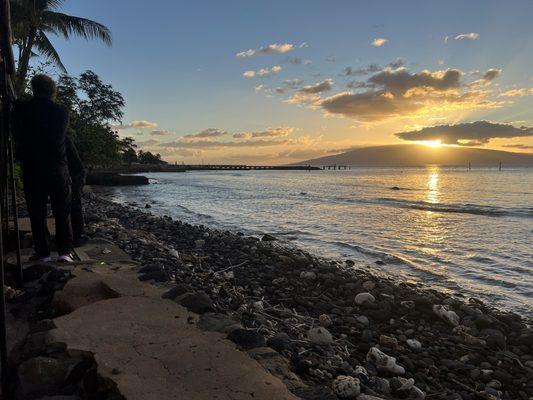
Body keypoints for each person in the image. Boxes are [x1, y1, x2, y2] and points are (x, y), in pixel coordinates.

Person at [14, 75, 75, 262]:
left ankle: (43, 252)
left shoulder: (21, 109)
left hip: (32, 168)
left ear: (34, 89)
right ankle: (65, 252)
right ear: (52, 91)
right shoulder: (61, 112)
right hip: (57, 168)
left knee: (37, 212)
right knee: (62, 211)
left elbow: (17, 133)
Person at [65, 135, 88, 247]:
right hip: (70, 173)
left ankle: (79, 236)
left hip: (76, 174)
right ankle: (74, 235)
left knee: (74, 204)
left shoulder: (61, 136)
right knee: (68, 205)